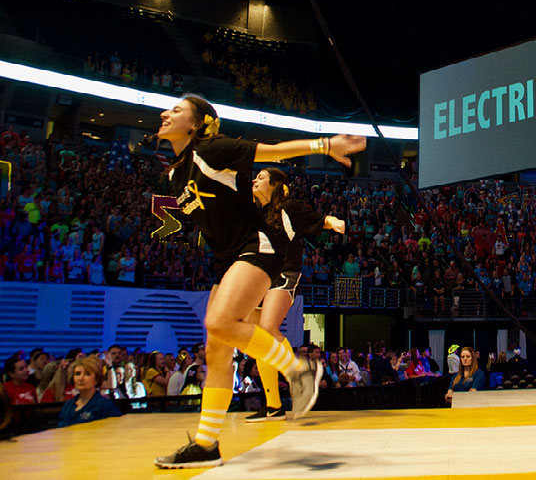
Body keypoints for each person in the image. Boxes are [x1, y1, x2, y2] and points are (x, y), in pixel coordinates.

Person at [151, 95, 365, 468]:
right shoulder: (174, 173)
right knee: (217, 350)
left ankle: (299, 370)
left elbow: (274, 151)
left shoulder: (213, 149)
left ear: (198, 124)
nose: (165, 113)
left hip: (256, 250)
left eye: (177, 110)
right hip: (226, 260)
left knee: (218, 322)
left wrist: (324, 145)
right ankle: (206, 445)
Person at [245, 167, 346, 423]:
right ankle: (273, 406)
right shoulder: (254, 212)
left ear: (276, 185)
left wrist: (333, 222)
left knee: (268, 328)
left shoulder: (288, 207)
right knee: (259, 340)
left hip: (285, 273)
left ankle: (300, 372)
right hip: (258, 276)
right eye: (255, 177)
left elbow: (317, 218)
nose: (255, 180)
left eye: (261, 178)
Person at [58, 356, 121, 427]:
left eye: (87, 374)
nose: (81, 378)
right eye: (77, 374)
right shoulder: (68, 406)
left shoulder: (106, 406)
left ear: (96, 379)